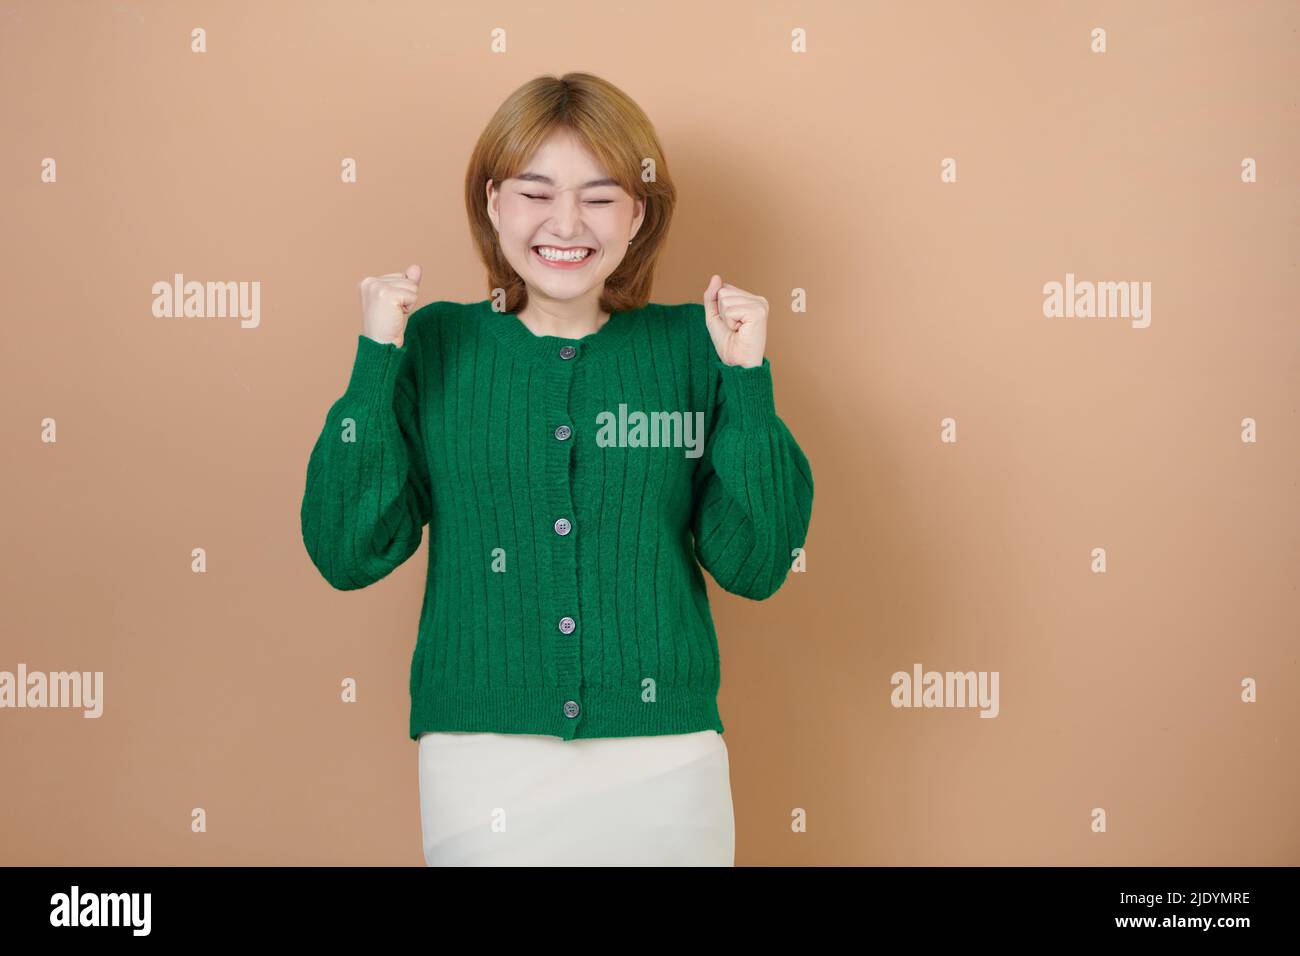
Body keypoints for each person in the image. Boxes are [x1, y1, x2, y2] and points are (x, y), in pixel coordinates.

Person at [300, 72, 814, 865]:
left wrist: (745, 380)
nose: (566, 223)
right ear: (493, 204)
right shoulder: (435, 345)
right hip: (482, 763)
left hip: (664, 757)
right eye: (536, 194)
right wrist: (375, 360)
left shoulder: (691, 348)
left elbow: (758, 562)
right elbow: (346, 548)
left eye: (601, 196)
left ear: (639, 213)